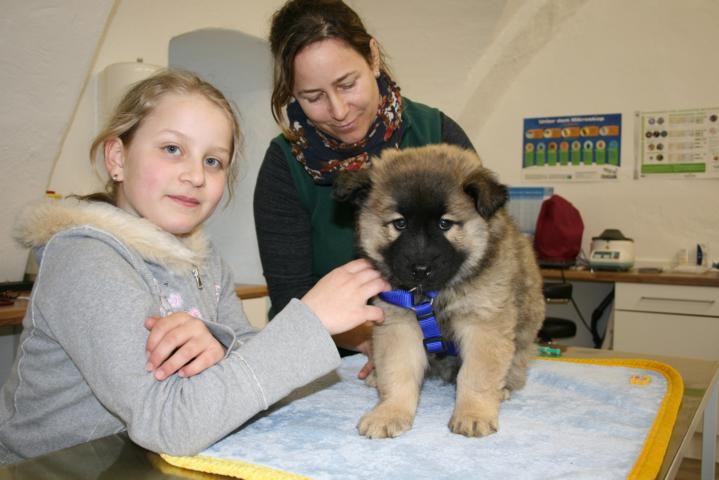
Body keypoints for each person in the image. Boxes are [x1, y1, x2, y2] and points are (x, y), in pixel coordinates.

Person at [0, 69, 388, 465]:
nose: (196, 176)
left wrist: (219, 346)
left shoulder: (202, 257)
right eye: (172, 149)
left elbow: (241, 349)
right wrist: (312, 321)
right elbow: (168, 423)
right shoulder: (85, 259)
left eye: (214, 161)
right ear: (117, 158)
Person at [254, 0, 475, 376]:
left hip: (440, 347)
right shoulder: (283, 167)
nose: (338, 110)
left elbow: (481, 255)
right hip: (327, 360)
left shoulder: (437, 136)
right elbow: (291, 295)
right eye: (313, 97)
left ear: (372, 57)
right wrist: (375, 342)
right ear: (292, 92)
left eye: (347, 84)